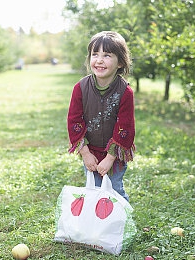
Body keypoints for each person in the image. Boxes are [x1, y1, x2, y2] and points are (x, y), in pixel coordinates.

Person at [67, 31, 135, 201]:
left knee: (114, 190)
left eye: (106, 55)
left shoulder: (125, 92)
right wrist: (85, 153)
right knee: (93, 190)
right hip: (90, 150)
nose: (99, 60)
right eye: (95, 54)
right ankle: (97, 225)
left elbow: (125, 126)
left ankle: (122, 224)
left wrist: (110, 158)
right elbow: (74, 121)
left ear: (120, 62)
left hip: (114, 154)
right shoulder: (80, 88)